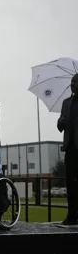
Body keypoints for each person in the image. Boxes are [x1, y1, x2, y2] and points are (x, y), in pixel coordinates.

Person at [57, 74, 78, 225]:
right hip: (70, 148)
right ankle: (71, 215)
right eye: (71, 82)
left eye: (75, 82)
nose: (72, 85)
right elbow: (60, 128)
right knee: (70, 183)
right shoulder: (66, 102)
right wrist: (60, 122)